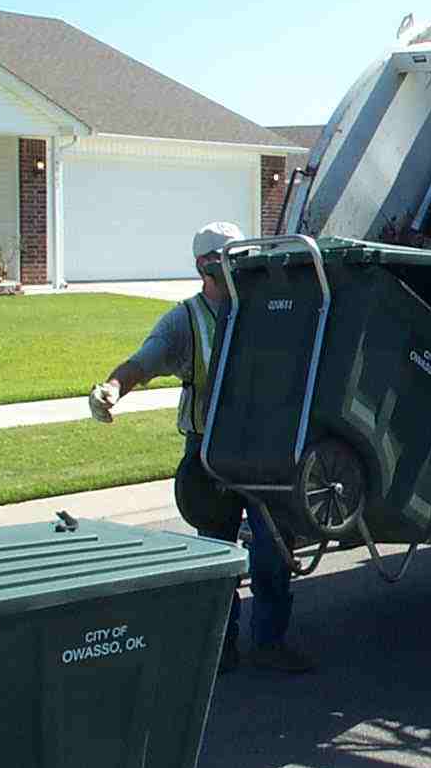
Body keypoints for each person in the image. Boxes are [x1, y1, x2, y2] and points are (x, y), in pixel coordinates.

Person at [88, 221, 315, 675]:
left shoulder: (269, 308)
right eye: (225, 261)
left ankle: (269, 642)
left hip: (265, 452)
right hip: (210, 457)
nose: (236, 270)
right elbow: (143, 361)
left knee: (273, 549)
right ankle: (220, 648)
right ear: (204, 266)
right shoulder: (184, 320)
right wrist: (110, 388)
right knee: (217, 555)